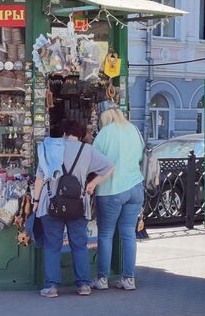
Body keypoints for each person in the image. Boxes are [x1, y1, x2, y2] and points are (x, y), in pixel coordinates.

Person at [33, 120, 114, 298]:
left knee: (52, 246)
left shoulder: (49, 147)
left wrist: (36, 201)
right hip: (78, 204)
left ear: (63, 133)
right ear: (81, 135)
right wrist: (92, 184)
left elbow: (39, 178)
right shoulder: (88, 150)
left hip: (51, 203)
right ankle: (84, 285)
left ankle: (51, 287)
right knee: (79, 245)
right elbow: (109, 167)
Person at [91, 101, 145, 291]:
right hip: (135, 187)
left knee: (105, 234)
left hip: (111, 189)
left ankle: (102, 279)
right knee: (129, 234)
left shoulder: (105, 133)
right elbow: (140, 156)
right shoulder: (133, 130)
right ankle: (129, 279)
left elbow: (93, 160)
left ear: (104, 116)